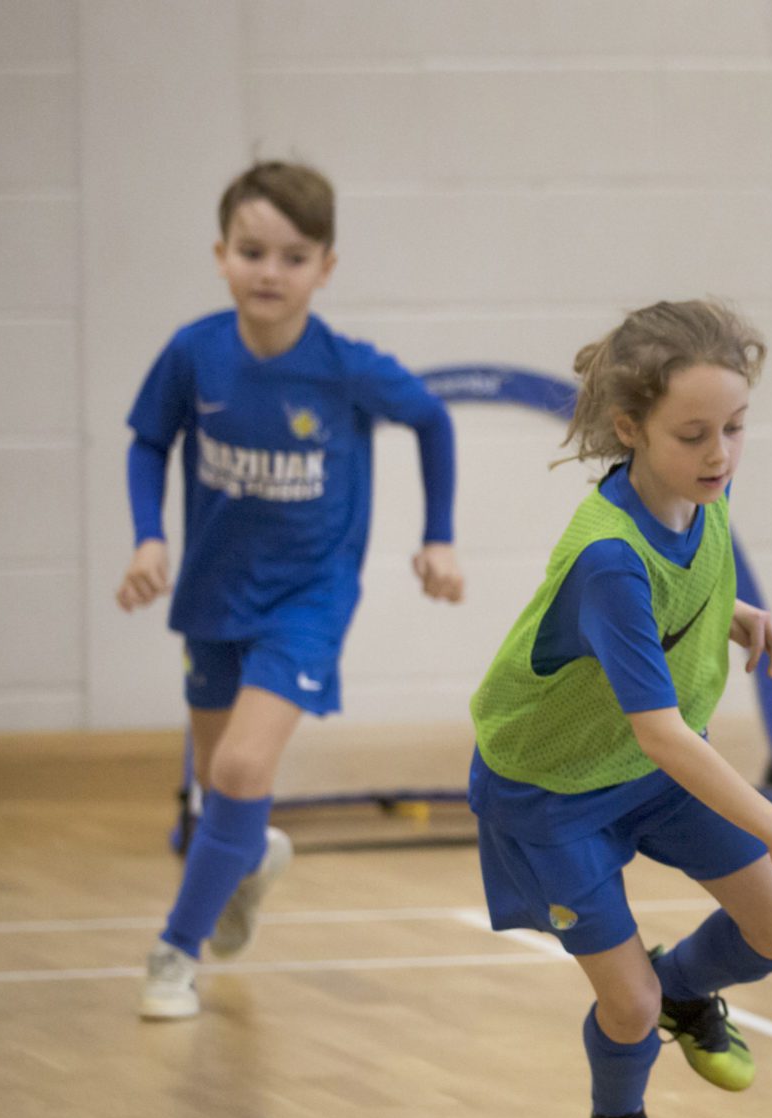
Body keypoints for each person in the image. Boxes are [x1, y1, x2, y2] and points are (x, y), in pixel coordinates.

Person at [467, 299, 772, 1118]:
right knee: (620, 1007)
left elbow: (686, 587)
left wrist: (735, 616)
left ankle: (682, 989)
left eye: (736, 429)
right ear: (629, 429)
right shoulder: (609, 559)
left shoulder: (703, 494)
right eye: (694, 434)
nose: (720, 454)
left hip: (646, 770)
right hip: (552, 790)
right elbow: (659, 729)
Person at [119, 160, 462, 1021]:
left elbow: (431, 417)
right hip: (212, 595)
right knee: (218, 789)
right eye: (252, 251)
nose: (270, 271)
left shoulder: (345, 369)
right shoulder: (194, 354)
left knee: (239, 764)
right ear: (221, 255)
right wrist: (149, 537)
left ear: (326, 268)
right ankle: (249, 856)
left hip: (309, 600)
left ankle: (173, 955)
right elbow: (146, 443)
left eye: (294, 256)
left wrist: (439, 535)